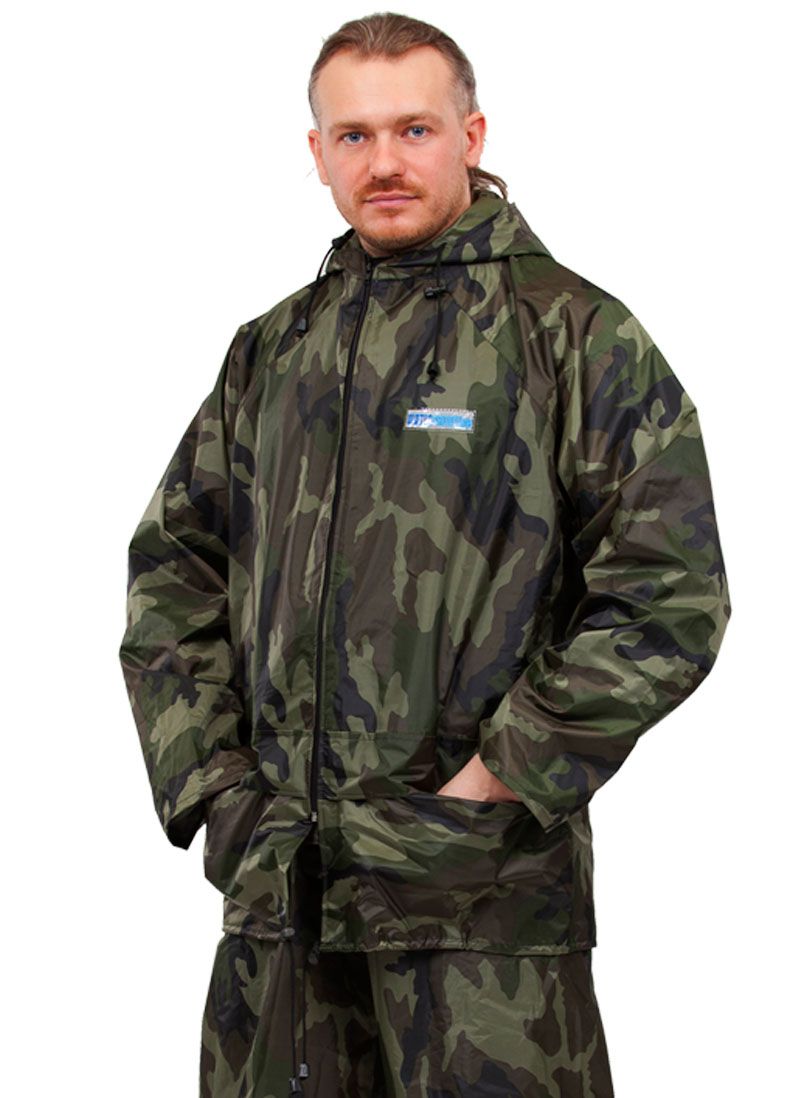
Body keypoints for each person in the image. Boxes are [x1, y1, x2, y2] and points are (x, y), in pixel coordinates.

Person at [118, 11, 731, 1098]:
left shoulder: (572, 334)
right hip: (283, 916)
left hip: (481, 918)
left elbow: (669, 592)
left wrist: (502, 777)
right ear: (316, 153)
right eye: (353, 136)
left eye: (414, 129)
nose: (384, 163)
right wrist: (217, 791)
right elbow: (175, 570)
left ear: (471, 136)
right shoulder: (274, 350)